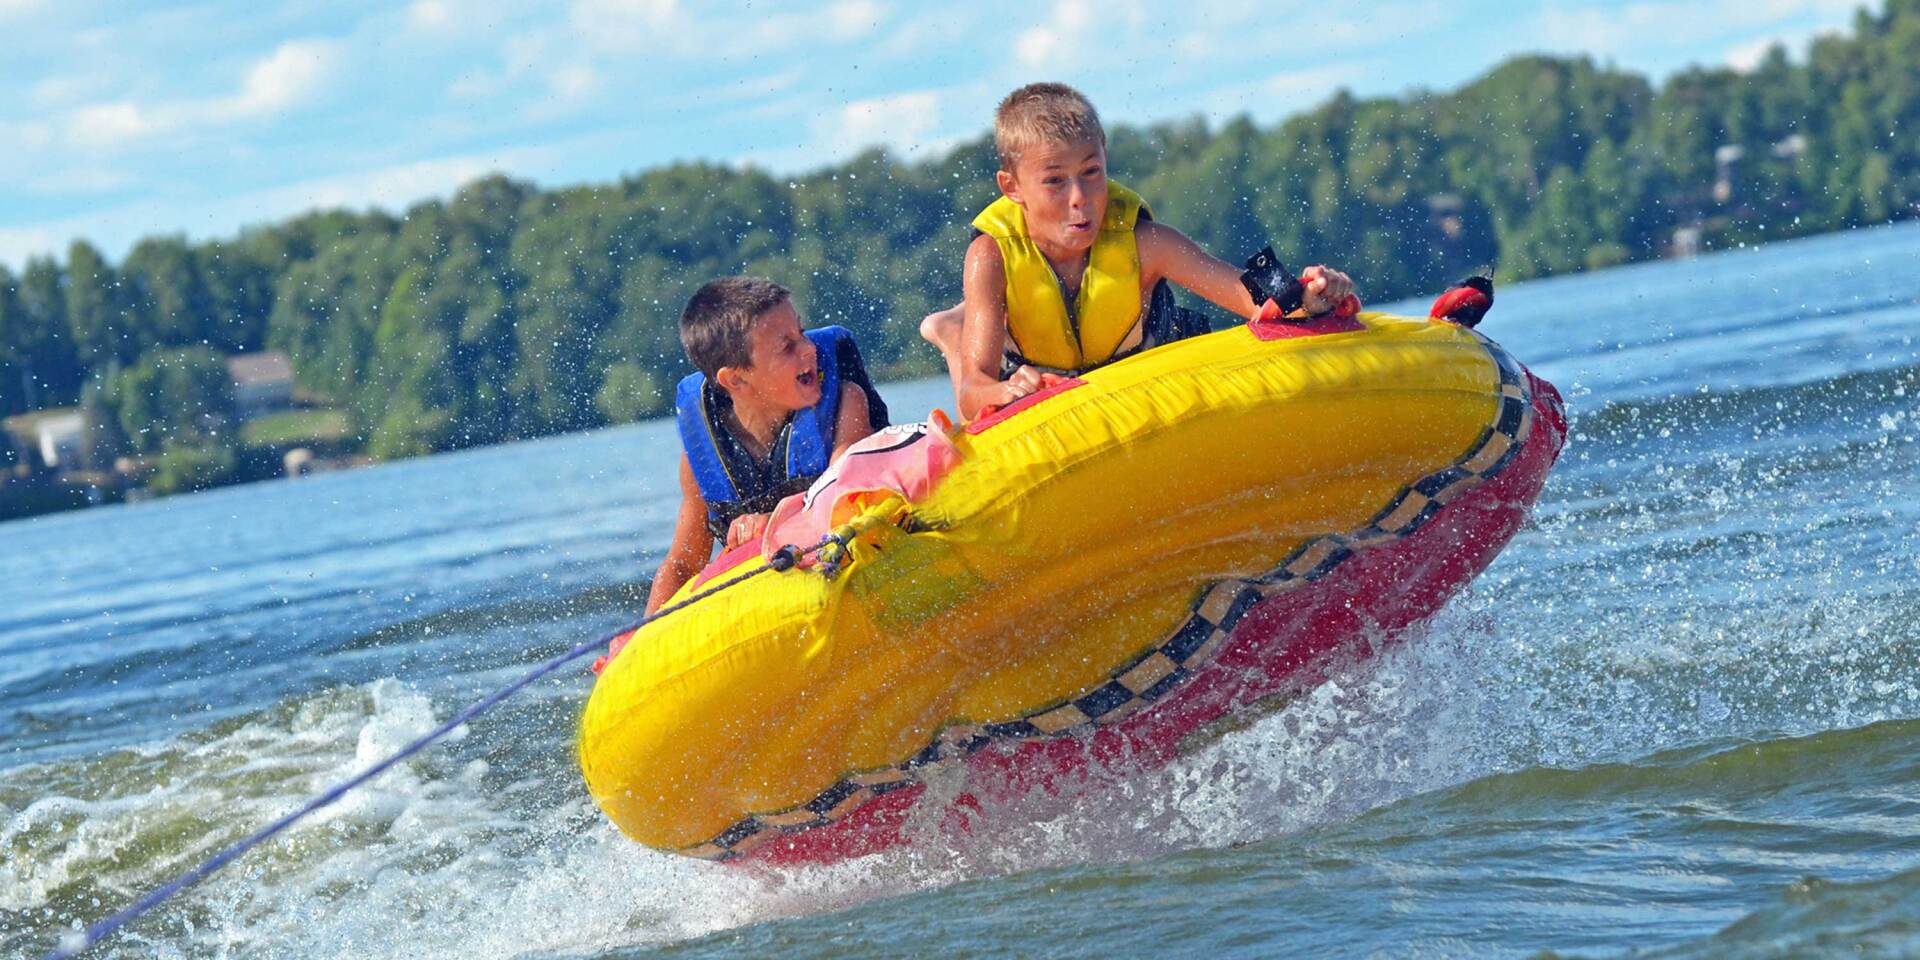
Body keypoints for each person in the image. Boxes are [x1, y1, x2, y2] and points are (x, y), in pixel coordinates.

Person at [921, 82, 1359, 419]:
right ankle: (952, 330)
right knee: (971, 413)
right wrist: (1007, 390)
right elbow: (973, 391)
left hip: (1134, 358)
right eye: (1054, 180)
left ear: (1106, 159)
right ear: (1012, 188)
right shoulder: (991, 257)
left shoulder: (1145, 243)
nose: (1079, 197)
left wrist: (1307, 293)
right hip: (1030, 366)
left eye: (1091, 172)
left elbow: (1252, 298)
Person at [648, 277, 887, 613]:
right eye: (787, 346)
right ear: (737, 379)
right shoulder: (698, 462)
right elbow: (683, 565)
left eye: (801, 333)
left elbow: (843, 502)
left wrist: (778, 521)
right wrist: (636, 642)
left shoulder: (846, 404)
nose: (809, 349)